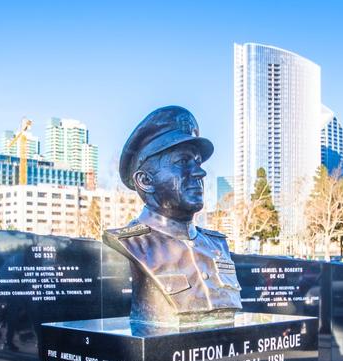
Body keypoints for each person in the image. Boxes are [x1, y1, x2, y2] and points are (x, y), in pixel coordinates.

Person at [103, 106, 242, 323]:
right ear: (145, 181)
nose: (200, 172)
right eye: (183, 161)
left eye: (197, 162)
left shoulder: (217, 245)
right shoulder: (133, 245)